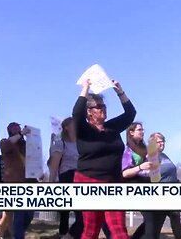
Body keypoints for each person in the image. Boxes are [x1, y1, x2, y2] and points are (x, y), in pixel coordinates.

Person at [72, 79, 136, 239]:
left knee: (119, 231)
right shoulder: (83, 129)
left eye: (104, 106)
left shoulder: (112, 128)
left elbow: (130, 114)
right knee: (91, 231)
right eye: (99, 107)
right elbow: (76, 113)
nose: (103, 110)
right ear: (89, 111)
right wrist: (85, 89)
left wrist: (119, 91)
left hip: (113, 183)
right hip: (89, 182)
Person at [0, 122, 35, 239]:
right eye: (15, 128)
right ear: (10, 131)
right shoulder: (5, 142)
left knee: (29, 214)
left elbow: (35, 158)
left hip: (30, 181)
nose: (18, 129)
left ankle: (11, 232)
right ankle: (17, 235)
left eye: (19, 128)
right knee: (19, 214)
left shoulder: (26, 144)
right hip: (15, 182)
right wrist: (21, 133)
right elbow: (7, 145)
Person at [48, 117, 83, 239]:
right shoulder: (60, 143)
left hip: (80, 177)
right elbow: (54, 165)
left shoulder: (81, 143)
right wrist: (50, 182)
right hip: (67, 177)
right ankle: (63, 234)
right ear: (67, 127)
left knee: (82, 214)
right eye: (74, 124)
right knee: (65, 212)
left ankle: (72, 235)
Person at [121, 122, 154, 239]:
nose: (143, 132)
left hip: (148, 184)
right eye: (139, 130)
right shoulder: (127, 151)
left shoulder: (147, 149)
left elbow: (153, 171)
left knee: (153, 219)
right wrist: (140, 167)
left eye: (142, 129)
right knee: (150, 219)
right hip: (135, 185)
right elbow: (124, 173)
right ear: (131, 132)